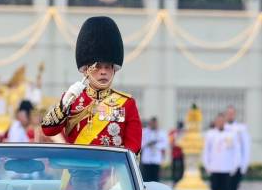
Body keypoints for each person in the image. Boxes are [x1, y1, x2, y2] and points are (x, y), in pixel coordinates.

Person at [41, 16, 142, 153]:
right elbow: (48, 130)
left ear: (114, 70)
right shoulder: (72, 99)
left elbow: (133, 148)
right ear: (86, 70)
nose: (103, 72)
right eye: (98, 67)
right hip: (75, 172)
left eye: (107, 67)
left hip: (110, 172)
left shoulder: (126, 104)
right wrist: (64, 104)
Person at [203, 113, 241, 190]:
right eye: (218, 121)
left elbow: (236, 151)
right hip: (214, 167)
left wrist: (235, 165)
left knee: (226, 189)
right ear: (215, 122)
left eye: (222, 121)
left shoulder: (231, 134)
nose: (220, 123)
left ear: (224, 122)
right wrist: (207, 164)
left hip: (226, 167)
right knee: (215, 188)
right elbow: (206, 150)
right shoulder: (210, 134)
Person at [225, 105, 251, 190]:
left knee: (233, 188)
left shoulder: (240, 129)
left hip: (237, 164)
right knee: (223, 188)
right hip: (224, 164)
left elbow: (246, 147)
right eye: (228, 113)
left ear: (234, 114)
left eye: (232, 113)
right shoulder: (222, 127)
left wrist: (244, 165)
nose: (230, 115)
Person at [140, 117, 168, 181]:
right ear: (150, 123)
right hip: (146, 159)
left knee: (155, 178)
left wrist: (156, 145)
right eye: (152, 123)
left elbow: (165, 144)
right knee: (146, 177)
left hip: (156, 158)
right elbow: (140, 142)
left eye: (155, 123)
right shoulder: (144, 132)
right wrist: (147, 144)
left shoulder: (161, 132)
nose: (153, 125)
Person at [169, 121, 185, 185]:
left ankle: (181, 181)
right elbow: (171, 141)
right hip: (175, 154)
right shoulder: (173, 132)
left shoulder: (184, 133)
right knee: (174, 169)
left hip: (182, 154)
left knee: (181, 169)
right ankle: (174, 182)